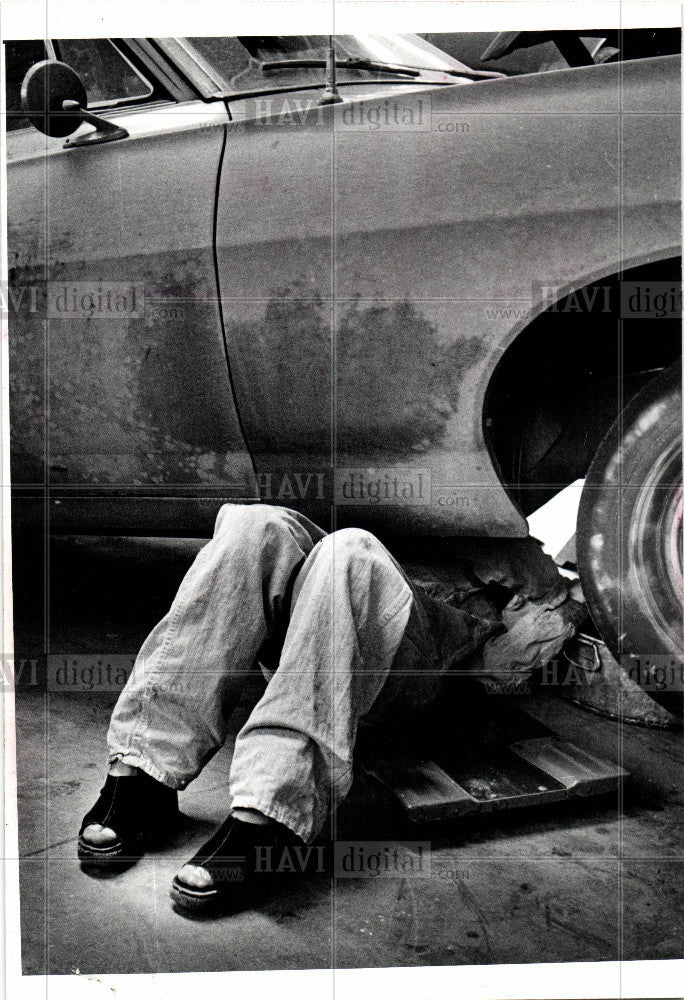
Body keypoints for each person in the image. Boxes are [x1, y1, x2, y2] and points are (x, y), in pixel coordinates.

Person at [78, 503, 584, 916]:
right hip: (319, 629)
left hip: (404, 671)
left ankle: (271, 810)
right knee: (258, 525)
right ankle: (144, 772)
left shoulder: (502, 537)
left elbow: (535, 628)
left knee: (353, 551)